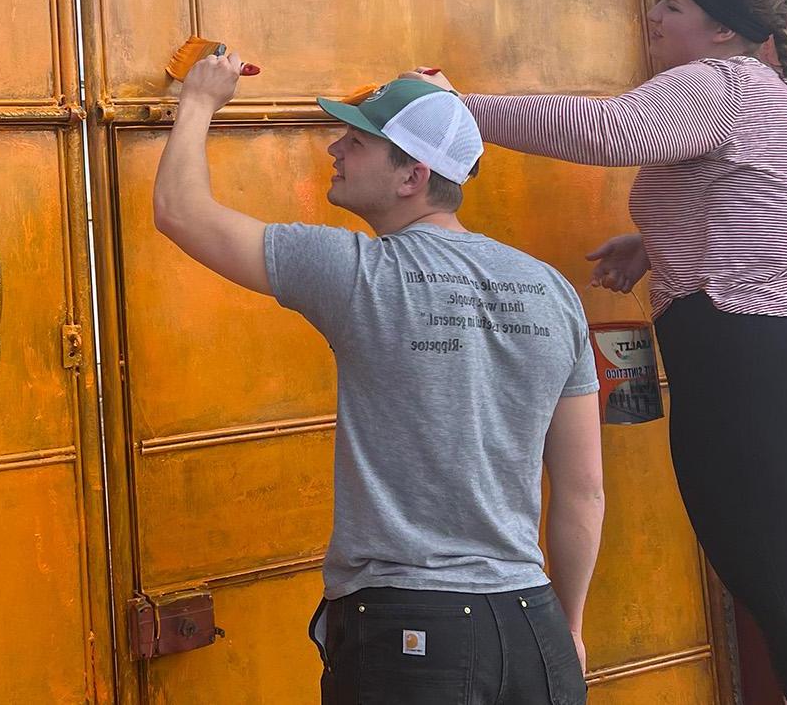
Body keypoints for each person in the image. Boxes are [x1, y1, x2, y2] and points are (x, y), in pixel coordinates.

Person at [411, 0, 787, 705]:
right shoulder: (759, 87)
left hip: (765, 371)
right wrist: (655, 244)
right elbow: (762, 208)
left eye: (672, 5)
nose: (654, 15)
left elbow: (609, 133)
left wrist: (454, 108)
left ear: (723, 30)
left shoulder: (718, 81)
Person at [153, 55, 605, 704]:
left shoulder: (357, 272)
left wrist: (199, 100)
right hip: (532, 623)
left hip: (412, 633)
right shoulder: (552, 291)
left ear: (412, 176)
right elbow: (584, 492)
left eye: (357, 143)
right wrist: (570, 629)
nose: (335, 148)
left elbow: (180, 211)